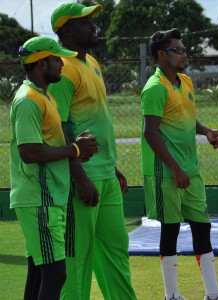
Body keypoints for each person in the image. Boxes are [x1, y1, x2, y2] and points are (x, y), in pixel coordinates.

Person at [48, 2, 137, 300]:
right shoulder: (61, 69)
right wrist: (80, 177)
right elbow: (59, 129)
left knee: (116, 253)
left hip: (106, 177)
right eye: (85, 21)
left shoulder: (93, 63)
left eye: (91, 20)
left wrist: (112, 167)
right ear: (66, 29)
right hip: (81, 179)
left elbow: (96, 121)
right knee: (77, 259)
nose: (93, 25)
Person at [140, 28, 218, 300]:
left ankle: (213, 293)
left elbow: (189, 119)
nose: (183, 53)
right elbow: (150, 132)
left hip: (190, 170)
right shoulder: (154, 88)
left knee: (201, 226)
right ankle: (172, 295)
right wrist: (175, 169)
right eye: (177, 49)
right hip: (167, 173)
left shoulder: (186, 81)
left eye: (183, 48)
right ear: (161, 55)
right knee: (170, 229)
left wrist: (208, 133)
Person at [10, 36, 99, 300]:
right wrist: (74, 150)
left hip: (47, 198)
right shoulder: (28, 100)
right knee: (55, 274)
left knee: (39, 272)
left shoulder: (42, 96)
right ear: (40, 64)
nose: (61, 63)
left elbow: (47, 144)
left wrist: (76, 149)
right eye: (56, 58)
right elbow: (29, 152)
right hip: (40, 197)